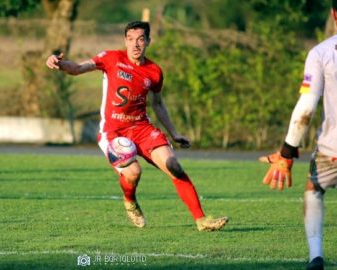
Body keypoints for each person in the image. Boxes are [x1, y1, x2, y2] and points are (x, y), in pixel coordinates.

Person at [46, 21, 228, 231]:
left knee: (174, 166)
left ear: (148, 41)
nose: (135, 44)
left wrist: (175, 133)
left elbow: (158, 103)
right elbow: (77, 68)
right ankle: (129, 200)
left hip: (142, 129)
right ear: (125, 41)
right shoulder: (111, 58)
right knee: (133, 172)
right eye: (131, 39)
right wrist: (59, 64)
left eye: (140, 39)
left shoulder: (154, 72)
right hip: (113, 131)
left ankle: (201, 220)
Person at [259, 2, 337, 269]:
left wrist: (286, 152)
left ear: (334, 14)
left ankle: (316, 256)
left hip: (332, 151)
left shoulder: (322, 52)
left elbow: (305, 109)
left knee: (313, 191)